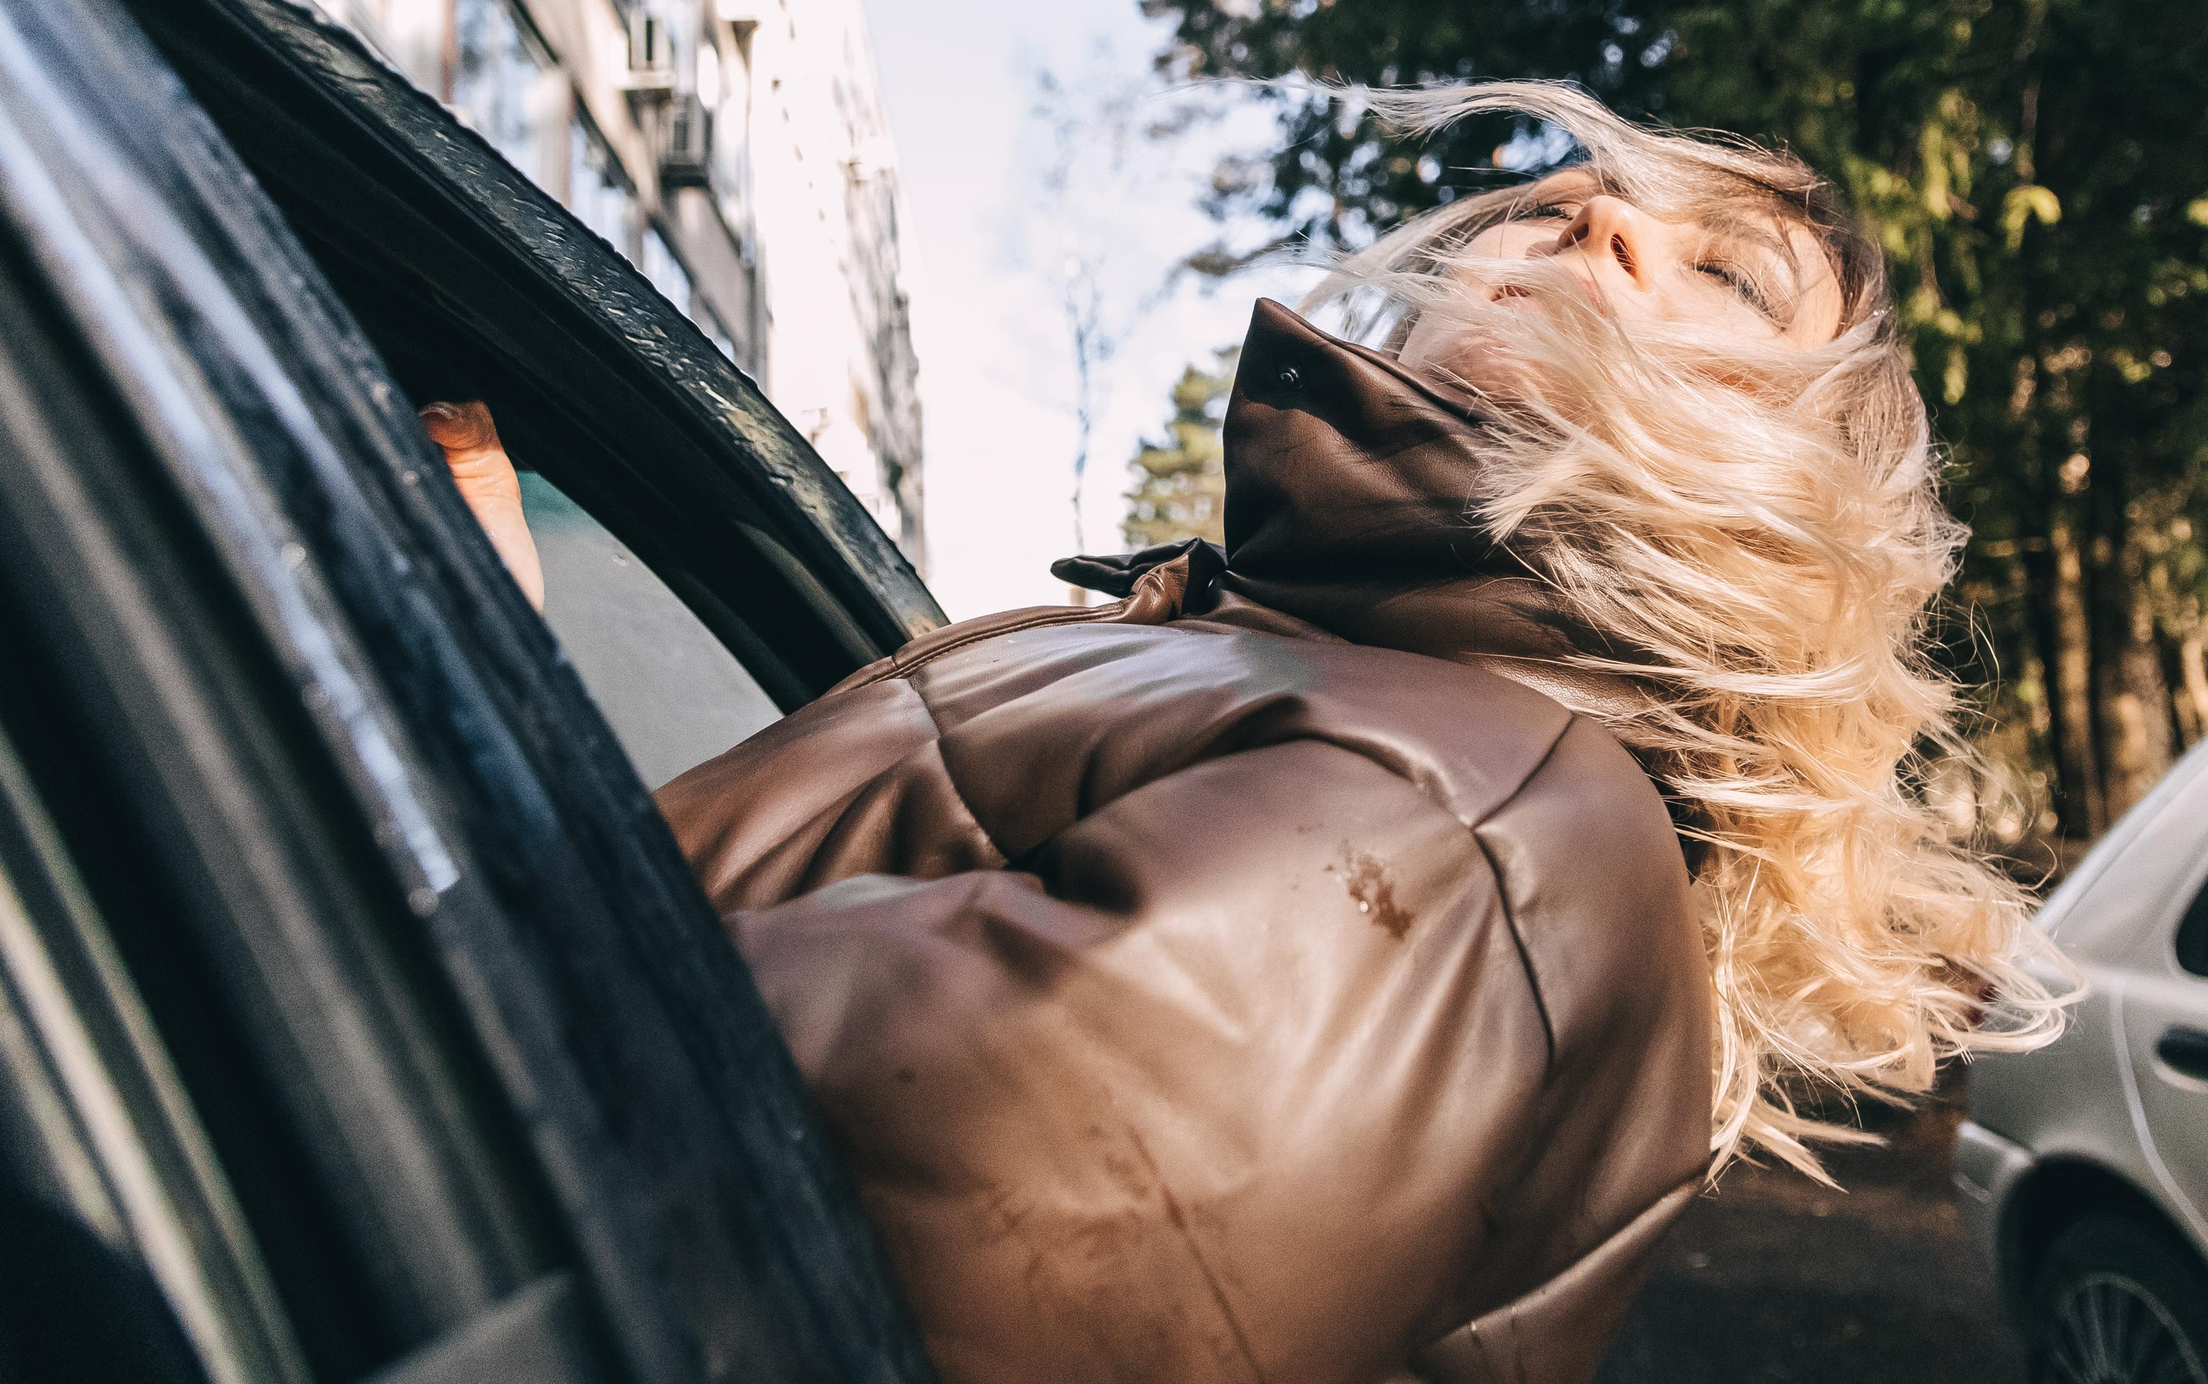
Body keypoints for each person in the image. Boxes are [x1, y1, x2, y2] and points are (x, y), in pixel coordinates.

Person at [428, 81, 2065, 1384]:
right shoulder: (1293, 687)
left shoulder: (1479, 819)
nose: (1599, 211)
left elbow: (732, 1213)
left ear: (1783, 509)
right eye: (1582, 187)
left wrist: (418, 768)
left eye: (1722, 272)